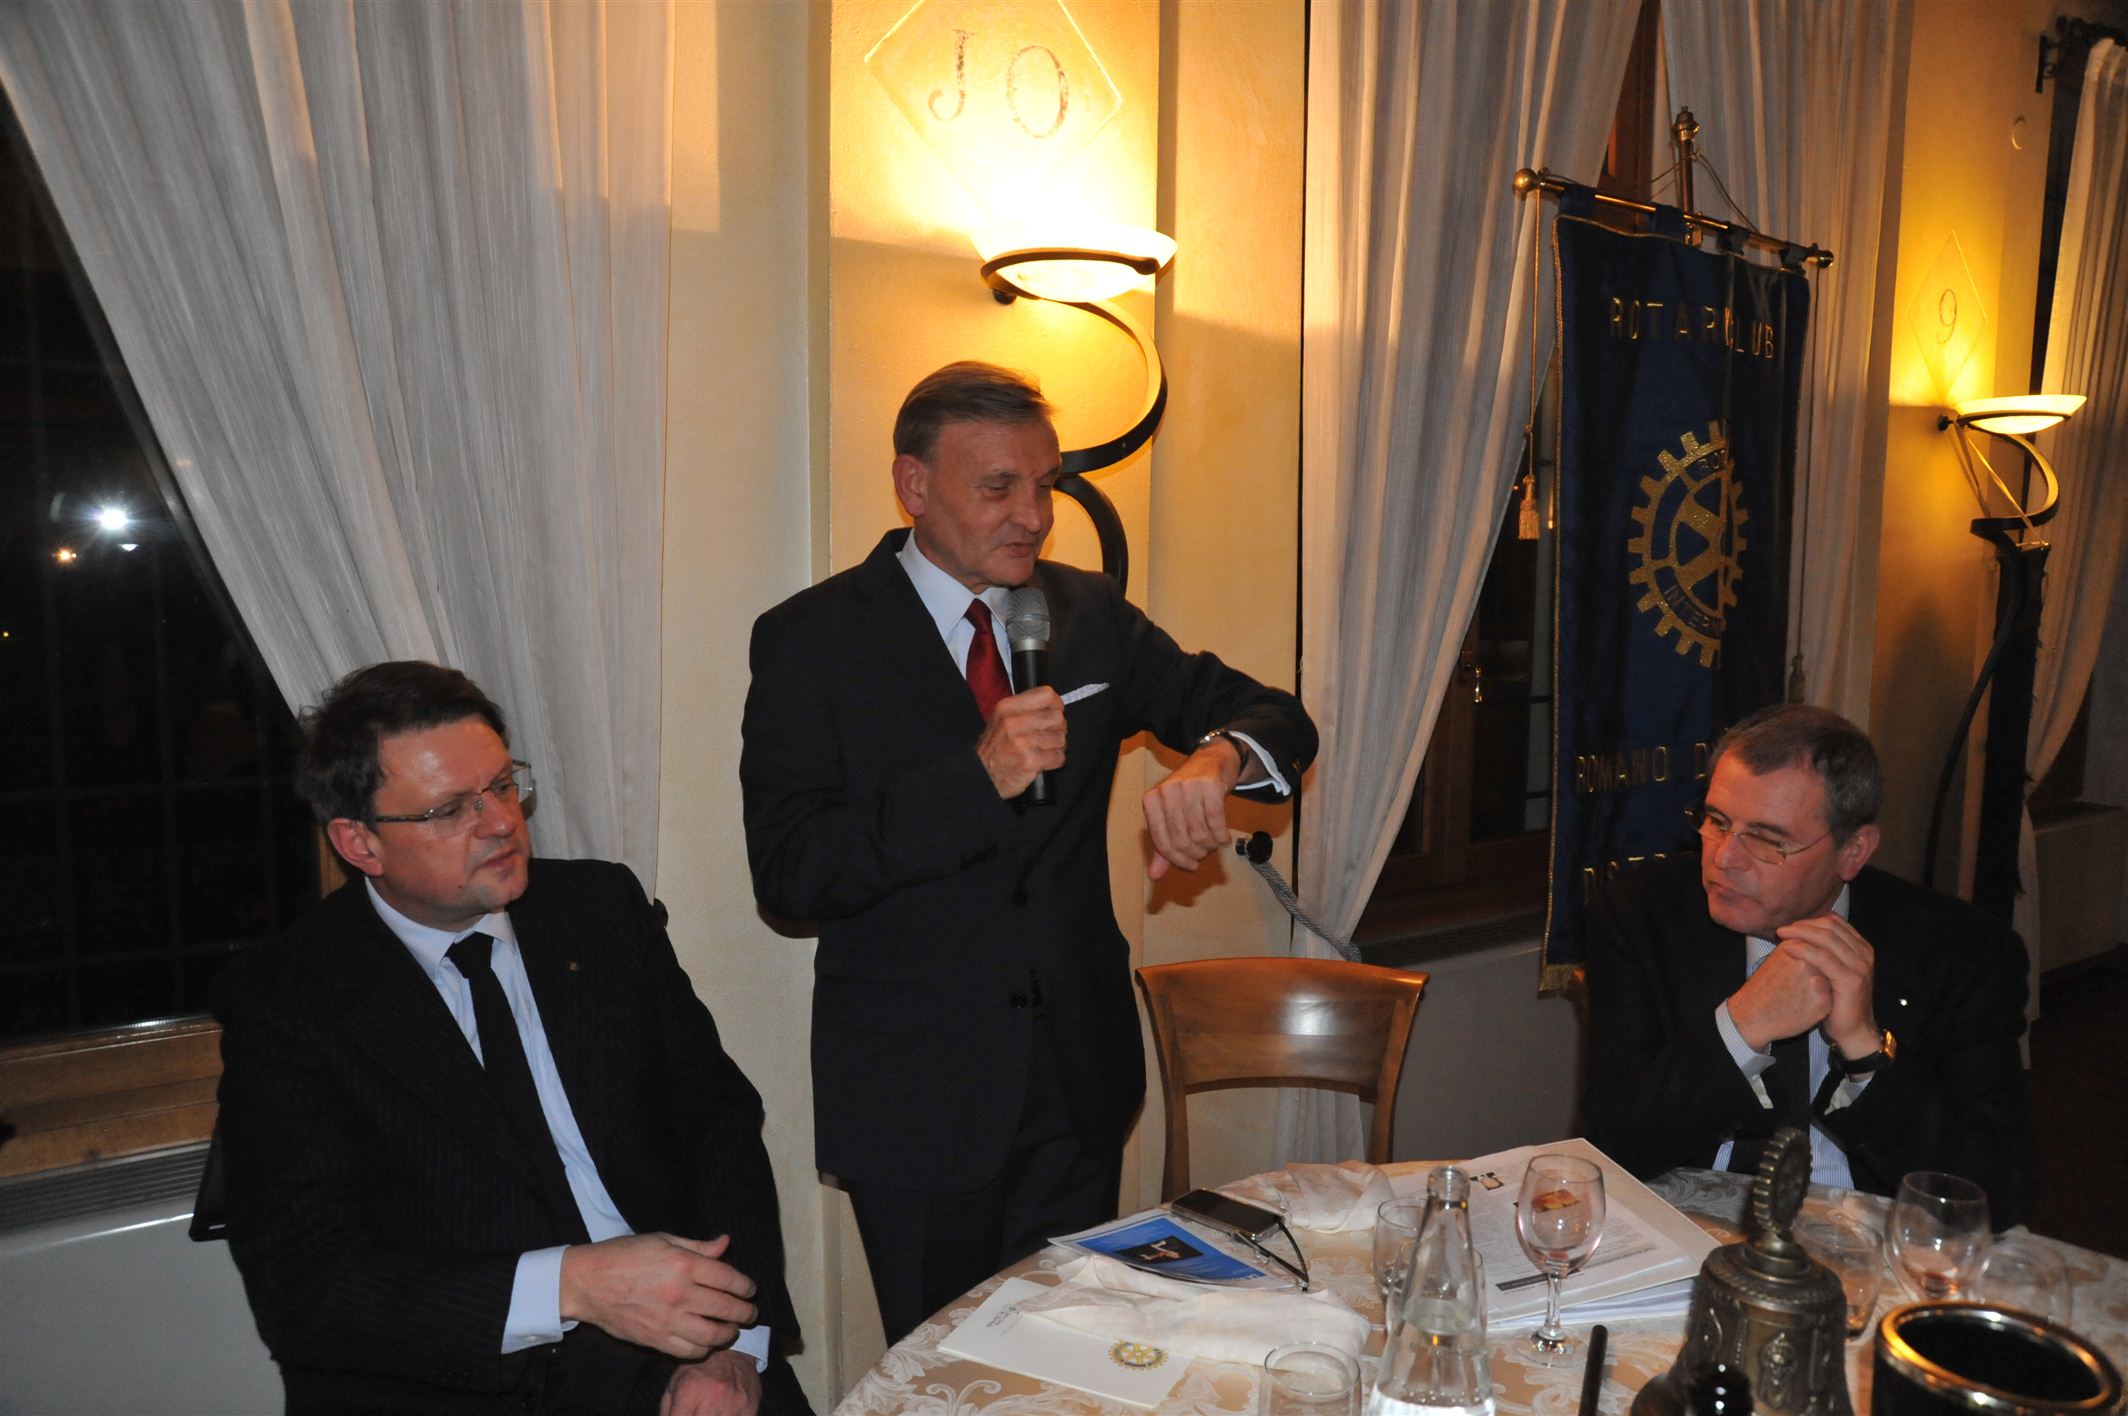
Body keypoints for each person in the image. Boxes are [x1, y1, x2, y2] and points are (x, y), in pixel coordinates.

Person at [739, 361, 1318, 1341]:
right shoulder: (812, 639)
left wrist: (1215, 762)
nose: (1034, 516)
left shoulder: (1087, 611)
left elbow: (1275, 714)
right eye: (998, 487)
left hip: (1078, 1087)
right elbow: (792, 873)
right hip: (917, 1106)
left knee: (1078, 1365)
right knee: (951, 1378)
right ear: (914, 484)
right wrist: (974, 779)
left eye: (1044, 484)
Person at [213, 661, 811, 1415]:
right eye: (449, 810)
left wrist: (735, 1343)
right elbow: (307, 1287)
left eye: (501, 785)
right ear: (359, 843)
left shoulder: (598, 909)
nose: (500, 822)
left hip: (689, 1342)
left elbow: (718, 1125)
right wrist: (572, 1285)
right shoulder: (289, 996)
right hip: (472, 1375)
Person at [1582, 703, 2037, 1228]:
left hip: (1870, 1235)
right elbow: (1614, 1143)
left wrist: (1865, 1051)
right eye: (1717, 821)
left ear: (1853, 852)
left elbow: (1999, 1194)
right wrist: (1741, 1027)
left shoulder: (1962, 950)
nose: (1724, 858)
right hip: (1686, 1226)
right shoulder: (1642, 913)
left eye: (1767, 840)